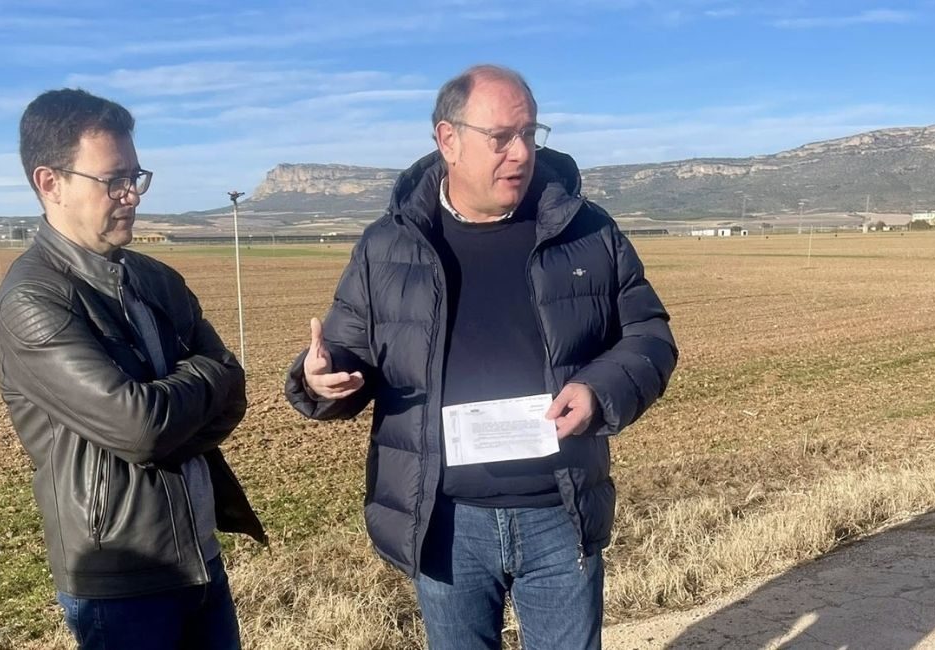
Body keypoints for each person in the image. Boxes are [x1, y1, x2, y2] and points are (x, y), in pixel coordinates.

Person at [285, 65, 677, 649]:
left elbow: (648, 336)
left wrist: (599, 390)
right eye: (501, 137)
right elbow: (350, 351)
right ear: (448, 140)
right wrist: (319, 379)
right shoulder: (389, 245)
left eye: (530, 133)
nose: (520, 153)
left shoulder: (588, 231)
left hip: (559, 511)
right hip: (445, 522)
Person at [0, 88, 265, 650]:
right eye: (113, 179)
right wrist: (203, 382)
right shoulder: (35, 299)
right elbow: (141, 427)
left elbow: (232, 391)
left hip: (199, 555)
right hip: (120, 579)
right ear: (51, 183)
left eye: (136, 177)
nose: (131, 196)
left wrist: (185, 404)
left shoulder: (155, 279)